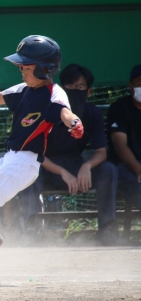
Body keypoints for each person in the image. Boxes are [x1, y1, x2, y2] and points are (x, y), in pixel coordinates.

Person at [0, 35, 83, 287]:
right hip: (9, 160)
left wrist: (74, 123)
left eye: (26, 66)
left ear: (45, 69)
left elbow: (65, 112)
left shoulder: (54, 93)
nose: (21, 69)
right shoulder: (24, 90)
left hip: (25, 163)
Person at [19, 64, 118, 244]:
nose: (75, 92)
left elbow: (101, 152)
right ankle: (30, 230)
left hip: (76, 166)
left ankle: (108, 230)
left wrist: (86, 166)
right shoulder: (46, 111)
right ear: (61, 90)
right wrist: (62, 172)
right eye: (70, 87)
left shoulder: (92, 113)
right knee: (27, 171)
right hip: (46, 167)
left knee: (108, 170)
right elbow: (35, 153)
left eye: (80, 87)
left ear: (88, 91)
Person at [106, 64, 141, 232]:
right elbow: (120, 145)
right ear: (130, 86)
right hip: (125, 166)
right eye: (140, 83)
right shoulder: (119, 108)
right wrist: (139, 170)